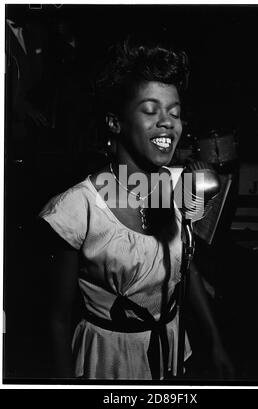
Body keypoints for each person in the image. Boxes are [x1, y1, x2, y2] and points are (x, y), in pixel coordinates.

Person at [38, 37, 233, 380]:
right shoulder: (77, 207)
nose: (167, 122)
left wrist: (215, 344)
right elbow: (54, 320)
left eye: (174, 112)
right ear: (115, 123)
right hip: (106, 363)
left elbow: (188, 272)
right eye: (150, 109)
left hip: (171, 355)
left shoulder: (175, 187)